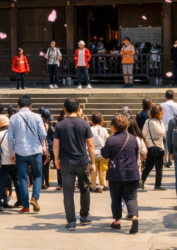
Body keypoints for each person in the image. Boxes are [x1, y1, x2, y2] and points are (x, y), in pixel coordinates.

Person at [52, 98, 95, 231]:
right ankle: (84, 215)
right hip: (82, 161)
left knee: (68, 192)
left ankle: (71, 221)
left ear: (65, 109)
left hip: (66, 162)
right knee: (85, 189)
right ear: (78, 109)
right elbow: (90, 145)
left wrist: (56, 159)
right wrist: (92, 162)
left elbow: (56, 144)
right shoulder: (85, 124)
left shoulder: (60, 125)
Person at [101, 113, 140, 234]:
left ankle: (117, 221)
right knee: (131, 197)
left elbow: (105, 154)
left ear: (113, 127)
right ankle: (134, 217)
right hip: (132, 172)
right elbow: (136, 152)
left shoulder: (111, 139)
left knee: (116, 198)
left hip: (116, 174)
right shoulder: (133, 138)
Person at [7, 95, 46, 215]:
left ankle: (25, 206)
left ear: (18, 106)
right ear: (31, 106)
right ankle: (35, 197)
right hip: (35, 150)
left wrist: (11, 152)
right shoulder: (37, 117)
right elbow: (43, 134)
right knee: (38, 175)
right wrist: (41, 144)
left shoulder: (13, 118)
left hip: (20, 151)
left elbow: (10, 137)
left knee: (23, 178)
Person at [141, 104, 166, 191]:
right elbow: (163, 133)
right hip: (159, 146)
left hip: (149, 145)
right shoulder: (160, 122)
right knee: (159, 167)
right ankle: (157, 185)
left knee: (148, 166)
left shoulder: (148, 121)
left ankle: (142, 180)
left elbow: (144, 133)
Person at [0, 114, 15, 211]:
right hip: (12, 161)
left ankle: (0, 202)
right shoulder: (12, 133)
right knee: (12, 181)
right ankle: (10, 201)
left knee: (1, 183)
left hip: (1, 162)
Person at [90, 112, 109, 192]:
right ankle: (102, 185)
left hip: (92, 152)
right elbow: (107, 140)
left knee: (93, 171)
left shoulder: (89, 129)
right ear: (101, 120)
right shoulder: (104, 129)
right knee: (103, 170)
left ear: (92, 120)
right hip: (102, 152)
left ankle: (93, 185)